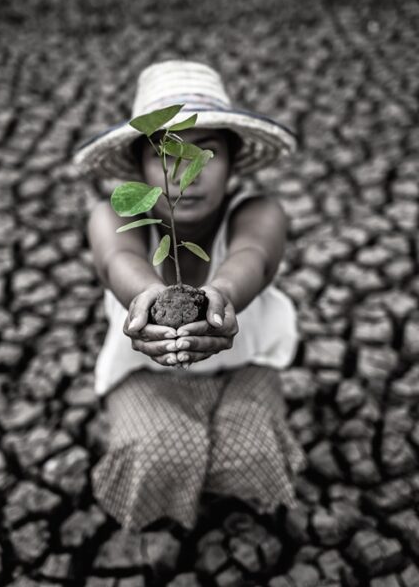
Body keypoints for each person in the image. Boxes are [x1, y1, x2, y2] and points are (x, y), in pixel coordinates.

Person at [73, 60, 306, 534]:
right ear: (139, 166)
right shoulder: (116, 213)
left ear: (234, 159)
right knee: (160, 451)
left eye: (206, 152)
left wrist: (220, 296)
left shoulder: (258, 210)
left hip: (242, 364)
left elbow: (253, 256)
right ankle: (160, 520)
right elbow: (118, 260)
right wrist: (149, 297)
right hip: (147, 371)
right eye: (165, 153)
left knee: (250, 451)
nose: (185, 172)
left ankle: (235, 515)